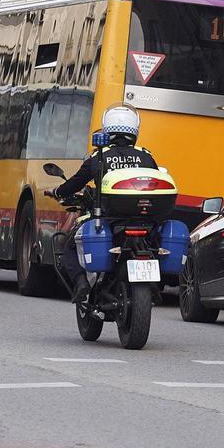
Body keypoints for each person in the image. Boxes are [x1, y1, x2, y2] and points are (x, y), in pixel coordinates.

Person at [50, 103, 158, 302]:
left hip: (108, 219)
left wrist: (57, 191)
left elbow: (75, 183)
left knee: (68, 246)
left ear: (106, 128)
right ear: (135, 130)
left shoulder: (99, 156)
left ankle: (81, 283)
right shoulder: (146, 156)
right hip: (145, 221)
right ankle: (153, 285)